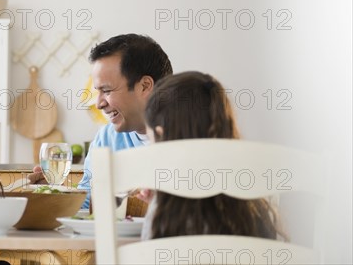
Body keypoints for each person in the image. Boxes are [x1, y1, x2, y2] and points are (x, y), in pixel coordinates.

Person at [29, 34, 173, 209]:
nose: (98, 104)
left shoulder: (193, 132)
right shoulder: (107, 137)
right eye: (98, 92)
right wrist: (55, 194)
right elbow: (87, 206)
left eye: (107, 90)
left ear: (144, 86)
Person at [142, 71, 283, 239]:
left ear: (162, 135)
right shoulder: (254, 208)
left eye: (151, 141)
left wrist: (158, 202)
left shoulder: (164, 217)